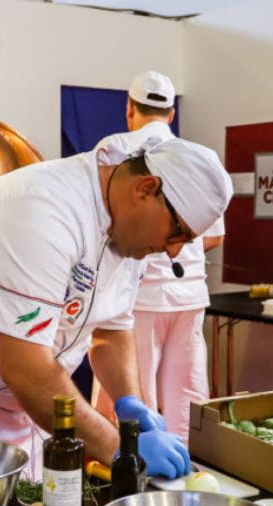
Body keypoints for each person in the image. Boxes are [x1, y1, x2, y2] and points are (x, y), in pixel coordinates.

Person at [0, 133, 232, 481]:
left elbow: (112, 331)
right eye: (176, 233)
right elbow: (25, 368)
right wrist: (120, 449)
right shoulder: (41, 208)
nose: (173, 251)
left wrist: (131, 406)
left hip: (24, 397)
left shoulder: (130, 231)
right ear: (146, 189)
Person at [94, 71, 224, 444]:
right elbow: (215, 235)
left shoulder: (114, 149)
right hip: (190, 296)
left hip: (139, 299)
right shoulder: (198, 160)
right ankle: (188, 470)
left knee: (133, 390)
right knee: (187, 392)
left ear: (129, 110)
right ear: (171, 114)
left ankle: (126, 471)